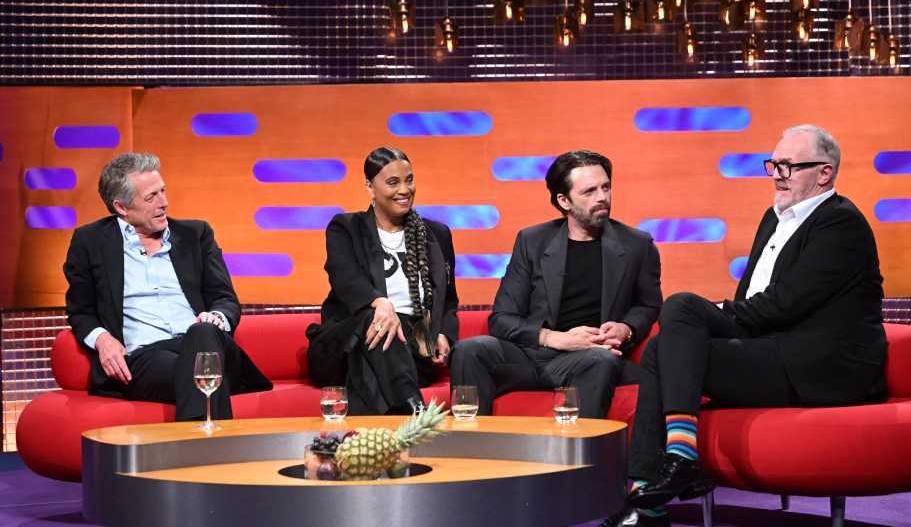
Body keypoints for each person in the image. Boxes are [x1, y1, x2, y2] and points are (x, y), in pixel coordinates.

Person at [566, 124, 888, 527]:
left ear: (824, 173)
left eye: (789, 166)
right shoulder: (773, 218)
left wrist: (715, 314)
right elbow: (753, 299)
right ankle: (650, 500)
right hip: (772, 347)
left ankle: (674, 467)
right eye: (774, 165)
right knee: (666, 341)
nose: (777, 174)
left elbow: (785, 304)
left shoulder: (841, 225)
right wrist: (716, 318)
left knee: (681, 307)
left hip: (822, 365)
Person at [448, 149, 662, 420]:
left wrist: (626, 329)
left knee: (602, 360)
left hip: (587, 358)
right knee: (469, 349)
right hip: (527, 356)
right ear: (564, 200)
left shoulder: (636, 245)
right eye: (589, 191)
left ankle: (581, 457)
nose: (602, 198)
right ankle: (472, 455)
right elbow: (501, 319)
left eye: (605, 187)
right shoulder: (532, 241)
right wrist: (556, 338)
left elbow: (649, 304)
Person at [63, 153, 272, 421]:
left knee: (202, 335)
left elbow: (225, 299)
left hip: (208, 343)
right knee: (202, 374)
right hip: (146, 357)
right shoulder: (89, 241)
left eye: (163, 191)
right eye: (151, 197)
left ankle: (197, 454)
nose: (164, 203)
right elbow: (80, 311)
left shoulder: (196, 234)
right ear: (121, 207)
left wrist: (216, 318)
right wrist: (103, 340)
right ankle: (212, 450)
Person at [306, 147, 459, 415]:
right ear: (369, 187)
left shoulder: (436, 234)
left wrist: (443, 333)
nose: (404, 190)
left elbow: (449, 301)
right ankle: (418, 416)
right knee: (374, 321)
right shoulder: (346, 228)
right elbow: (344, 275)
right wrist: (380, 303)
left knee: (368, 367)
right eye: (392, 182)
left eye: (409, 180)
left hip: (411, 349)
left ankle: (365, 447)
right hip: (345, 342)